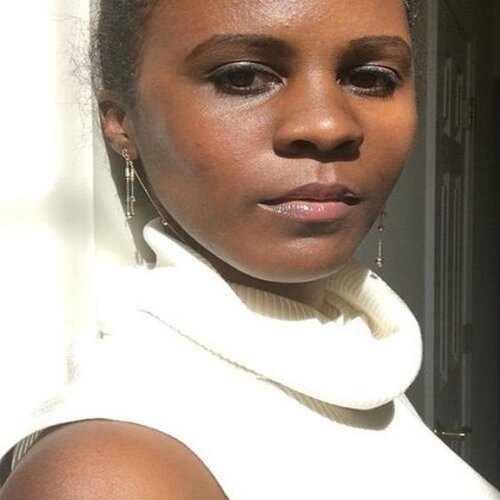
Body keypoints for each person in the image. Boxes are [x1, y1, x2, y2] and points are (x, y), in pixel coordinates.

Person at [0, 0, 498, 498]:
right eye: (242, 78)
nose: (329, 127)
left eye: (371, 78)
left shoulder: (353, 357)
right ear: (122, 123)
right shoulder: (111, 471)